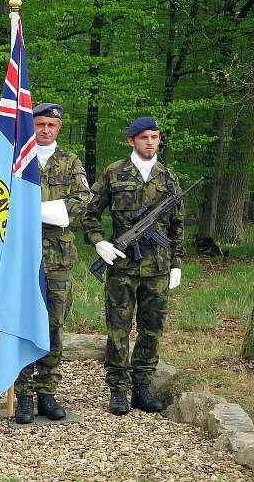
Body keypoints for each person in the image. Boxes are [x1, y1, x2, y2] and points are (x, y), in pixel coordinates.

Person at [82, 116, 184, 416]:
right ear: (131, 141)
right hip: (122, 268)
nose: (150, 142)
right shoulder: (114, 173)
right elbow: (89, 212)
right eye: (143, 138)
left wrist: (176, 264)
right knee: (118, 330)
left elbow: (177, 226)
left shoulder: (169, 177)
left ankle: (141, 387)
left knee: (152, 330)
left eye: (154, 137)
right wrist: (99, 241)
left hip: (158, 269)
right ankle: (118, 390)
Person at [13, 103, 90, 424]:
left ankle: (47, 392)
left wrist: (38, 212)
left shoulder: (70, 162)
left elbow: (83, 201)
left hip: (57, 258)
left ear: (59, 128)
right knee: (22, 324)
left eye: (51, 126)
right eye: (40, 124)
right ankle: (23, 395)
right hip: (22, 256)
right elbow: (2, 200)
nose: (45, 130)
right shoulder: (19, 160)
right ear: (32, 125)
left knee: (54, 325)